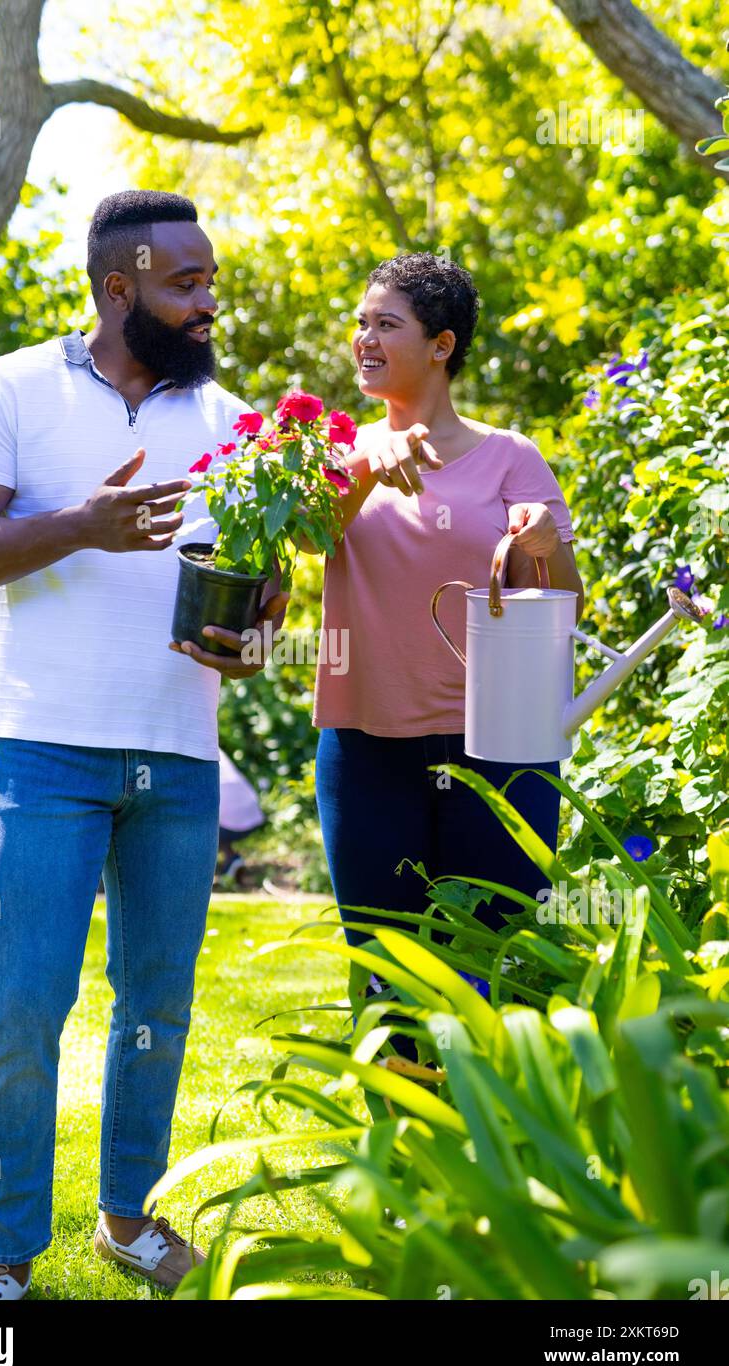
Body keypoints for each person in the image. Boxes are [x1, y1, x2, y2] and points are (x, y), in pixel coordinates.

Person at [0, 190, 288, 1301]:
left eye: (213, 279)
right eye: (189, 283)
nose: (210, 301)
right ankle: (0, 1254)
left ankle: (127, 1215)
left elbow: (264, 584)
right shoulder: (14, 388)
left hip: (179, 755)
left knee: (157, 1004)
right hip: (47, 749)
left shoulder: (231, 416)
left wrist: (257, 630)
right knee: (25, 1000)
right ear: (119, 288)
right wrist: (81, 522)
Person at [302, 253, 585, 1055]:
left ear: (440, 344)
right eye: (360, 322)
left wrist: (539, 544)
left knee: (493, 968)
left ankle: (493, 1157)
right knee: (386, 973)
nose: (363, 337)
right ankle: (399, 1167)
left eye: (385, 324)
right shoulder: (336, 454)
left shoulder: (510, 458)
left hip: (498, 749)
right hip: (365, 749)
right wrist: (361, 468)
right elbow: (302, 541)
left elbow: (566, 600)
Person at [216, 751, 265, 885]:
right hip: (251, 812)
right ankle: (231, 861)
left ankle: (230, 862)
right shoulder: (212, 747)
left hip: (231, 816)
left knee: (199, 831)